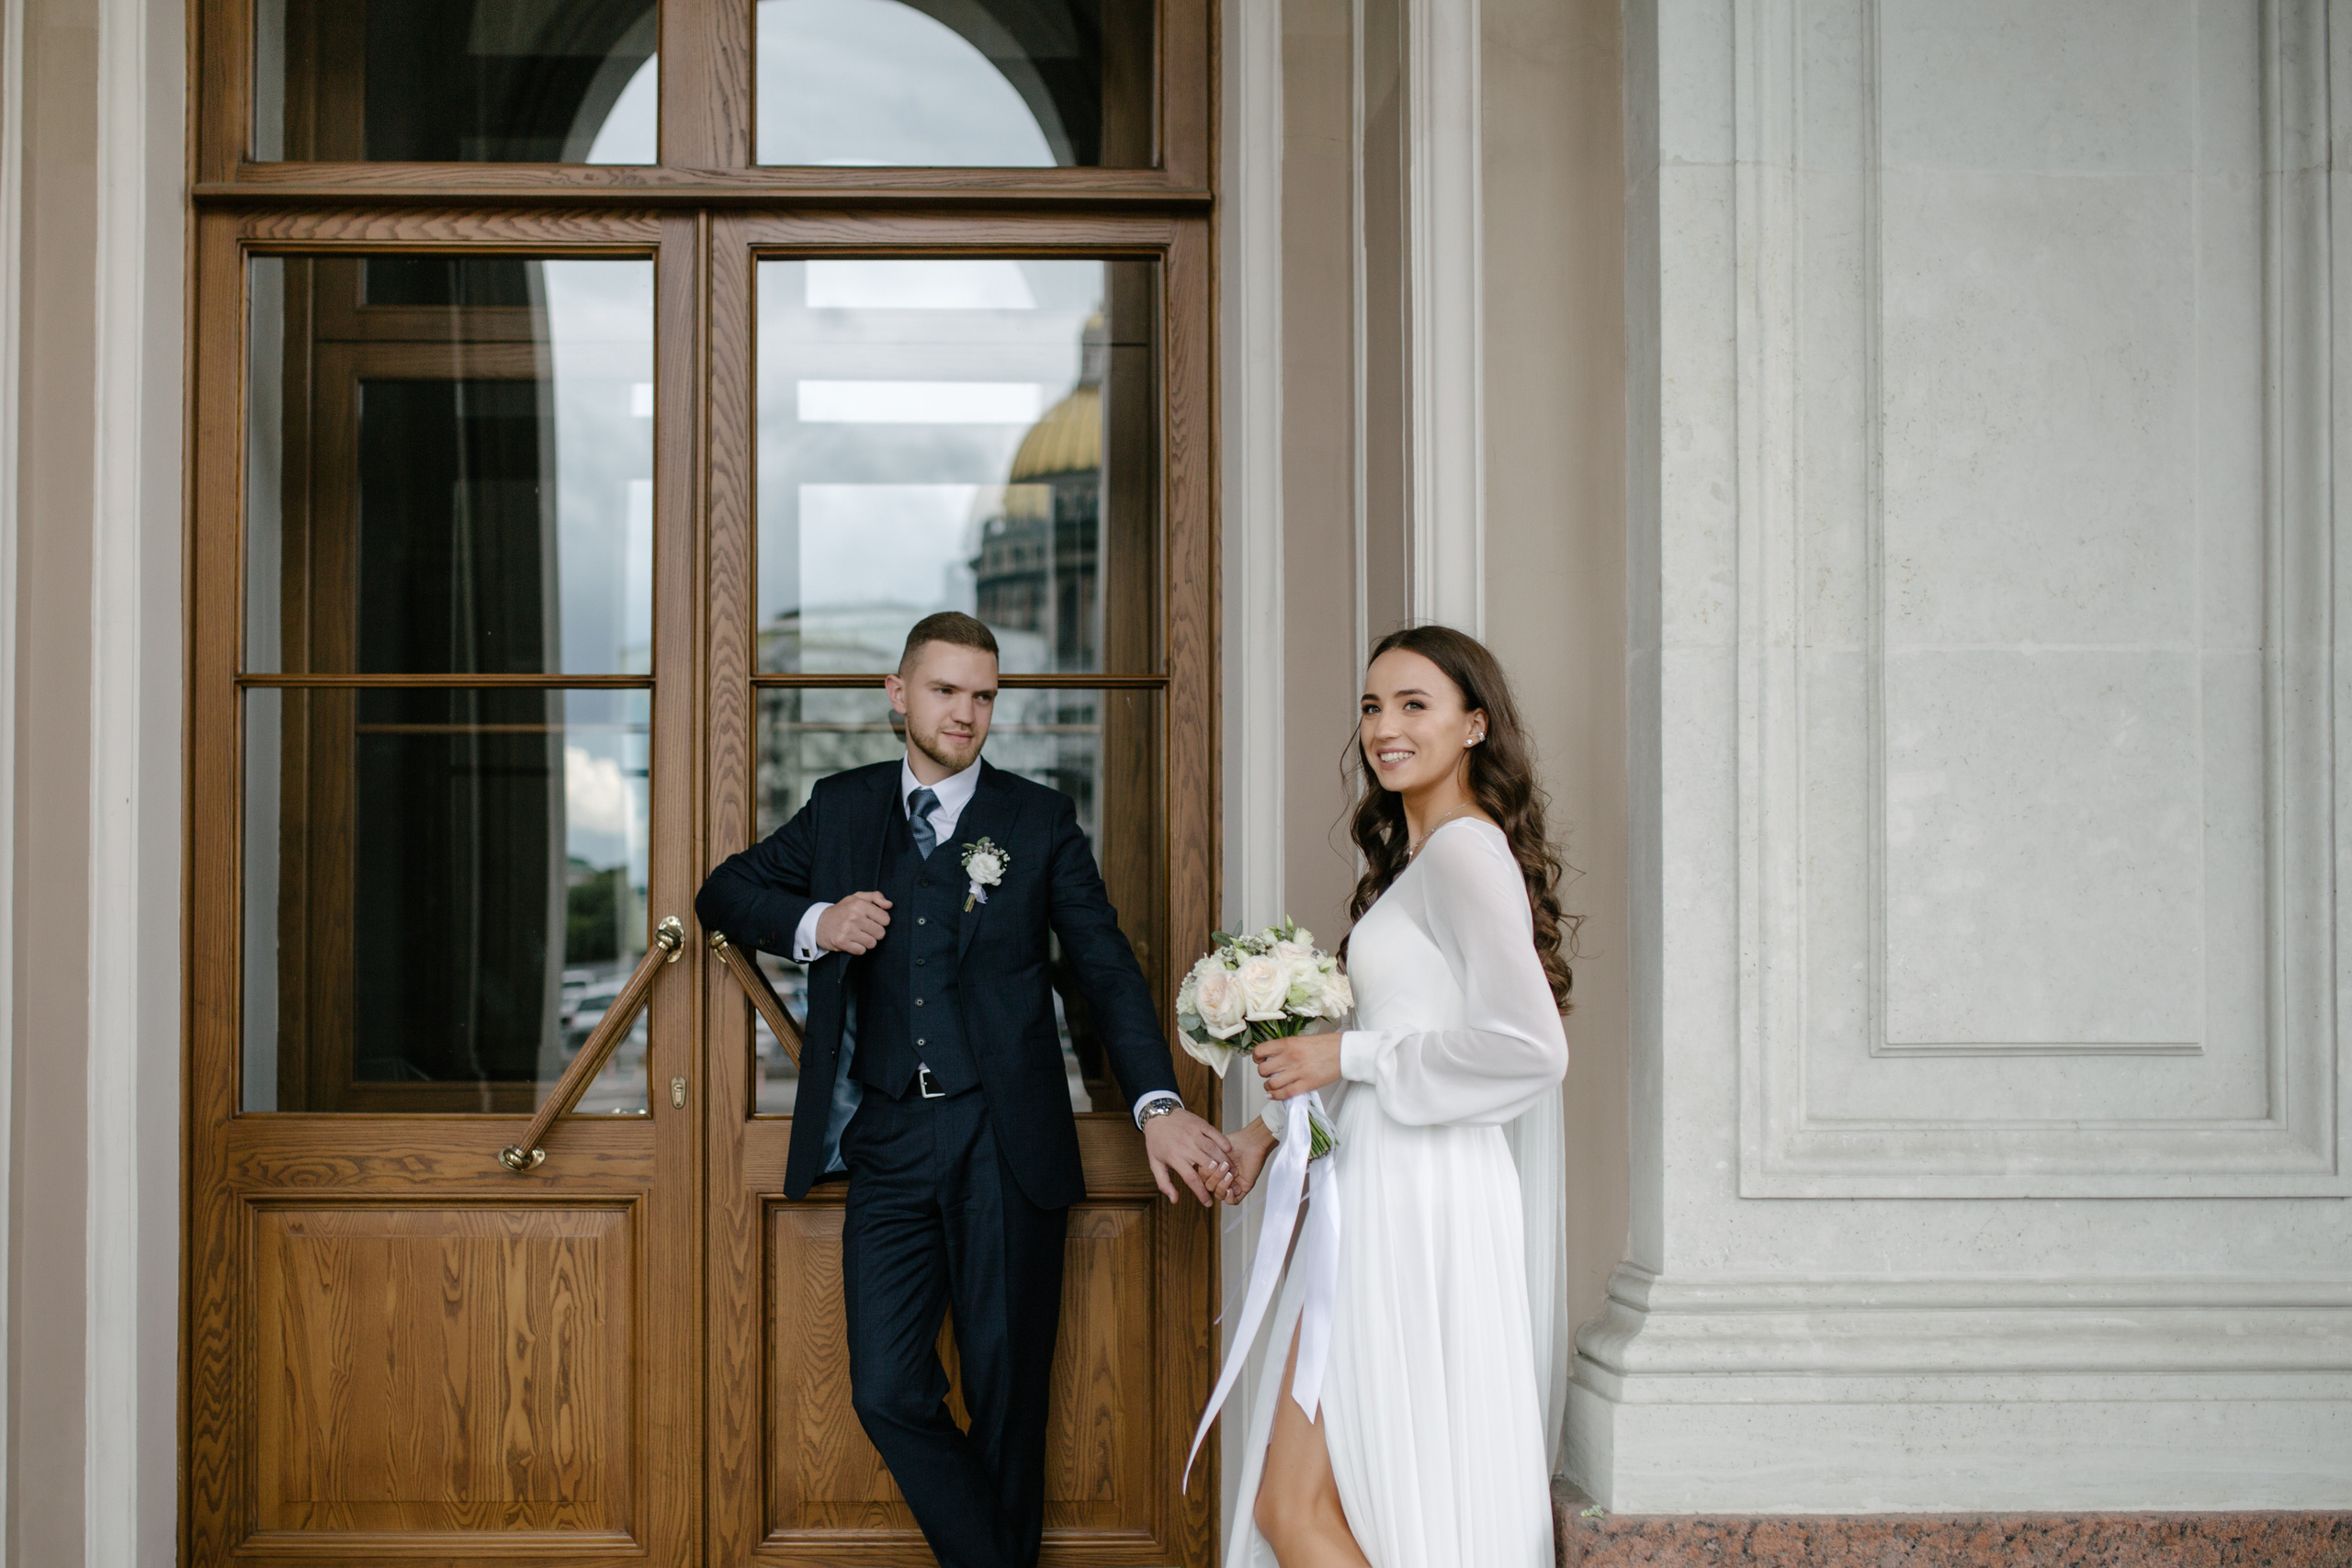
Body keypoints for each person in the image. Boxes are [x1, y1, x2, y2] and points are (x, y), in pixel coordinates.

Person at [695, 611, 1236, 1568]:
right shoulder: (842, 806)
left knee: (1006, 1397)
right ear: (897, 694)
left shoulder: (1037, 820)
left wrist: (1155, 1103)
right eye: (945, 691)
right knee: (886, 1391)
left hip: (1003, 1139)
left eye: (984, 696)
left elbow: (1104, 969)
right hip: (888, 1140)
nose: (966, 712)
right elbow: (724, 893)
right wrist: (820, 918)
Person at [1212, 624, 1576, 1567]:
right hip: (1378, 1185)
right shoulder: (1418, 866)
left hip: (1413, 1200)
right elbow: (1397, 1039)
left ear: (1474, 727)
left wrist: (1348, 1055)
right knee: (1305, 1502)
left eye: (1415, 705)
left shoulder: (1463, 852)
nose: (1384, 727)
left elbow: (1530, 1050)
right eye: (1373, 706)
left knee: (1290, 1507)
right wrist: (1263, 1129)